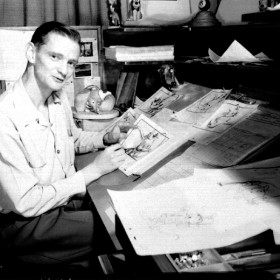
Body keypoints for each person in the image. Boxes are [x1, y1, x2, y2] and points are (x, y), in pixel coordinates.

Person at [0, 21, 129, 275]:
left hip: (61, 205)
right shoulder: (5, 117)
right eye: (55, 57)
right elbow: (26, 202)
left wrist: (106, 138)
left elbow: (73, 139)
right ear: (31, 53)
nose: (64, 70)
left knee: (117, 217)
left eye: (71, 62)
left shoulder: (56, 97)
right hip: (26, 225)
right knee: (121, 227)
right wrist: (93, 171)